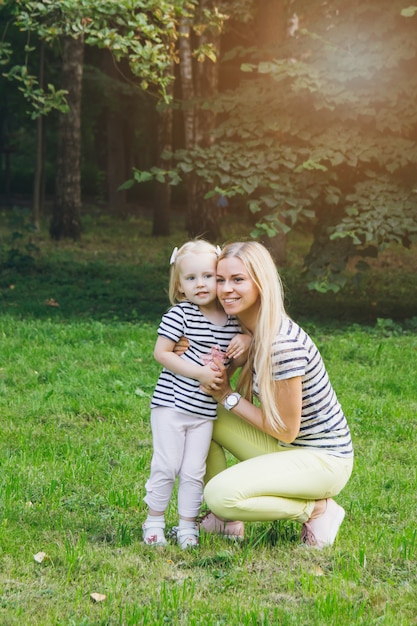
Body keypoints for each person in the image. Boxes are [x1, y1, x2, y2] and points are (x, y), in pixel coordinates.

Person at [198, 241, 354, 549]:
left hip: (323, 461)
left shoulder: (281, 345)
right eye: (220, 279)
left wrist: (229, 396)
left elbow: (285, 428)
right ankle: (226, 522)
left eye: (238, 280)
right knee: (202, 413)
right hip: (288, 449)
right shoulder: (251, 328)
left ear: (260, 282)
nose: (226, 289)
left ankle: (318, 510)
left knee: (219, 494)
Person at [142, 240, 250, 549]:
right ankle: (154, 522)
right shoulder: (181, 315)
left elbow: (243, 351)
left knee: (193, 471)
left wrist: (246, 339)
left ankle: (187, 526)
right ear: (180, 287)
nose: (200, 284)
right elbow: (162, 354)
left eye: (208, 276)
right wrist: (199, 372)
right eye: (191, 278)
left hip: (204, 412)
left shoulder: (232, 322)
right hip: (171, 405)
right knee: (166, 464)